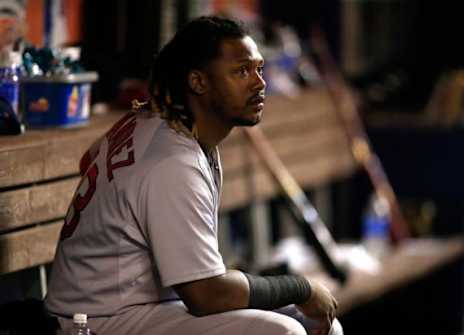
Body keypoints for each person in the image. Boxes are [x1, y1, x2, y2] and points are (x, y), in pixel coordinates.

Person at [45, 16, 343, 335]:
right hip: (99, 319)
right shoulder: (173, 159)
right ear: (198, 82)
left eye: (258, 68)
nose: (259, 82)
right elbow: (206, 295)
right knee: (285, 332)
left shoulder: (152, 124)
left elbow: (88, 159)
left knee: (318, 323)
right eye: (241, 71)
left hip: (133, 305)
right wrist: (301, 288)